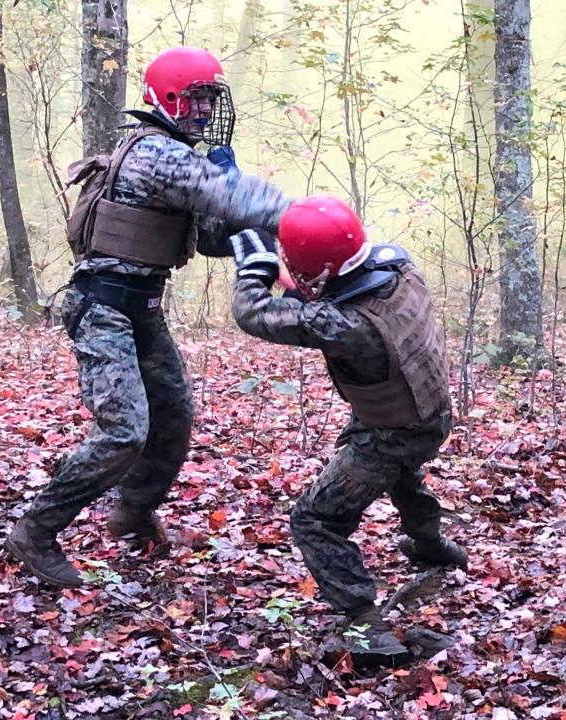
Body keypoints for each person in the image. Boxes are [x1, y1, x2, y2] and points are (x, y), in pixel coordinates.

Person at [5, 46, 292, 588]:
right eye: (195, 100)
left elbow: (208, 238)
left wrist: (240, 227)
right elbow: (239, 198)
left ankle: (132, 514)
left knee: (173, 416)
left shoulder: (181, 157)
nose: (204, 112)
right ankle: (36, 531)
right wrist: (303, 215)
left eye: (210, 99)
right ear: (167, 99)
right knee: (123, 432)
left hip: (141, 305)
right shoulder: (157, 154)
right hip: (103, 306)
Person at [229, 196, 467, 663]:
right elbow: (328, 290)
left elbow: (254, 314)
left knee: (315, 520)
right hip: (428, 410)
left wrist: (255, 266)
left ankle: (365, 624)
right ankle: (432, 545)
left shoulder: (346, 326)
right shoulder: (398, 266)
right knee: (402, 473)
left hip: (390, 428)